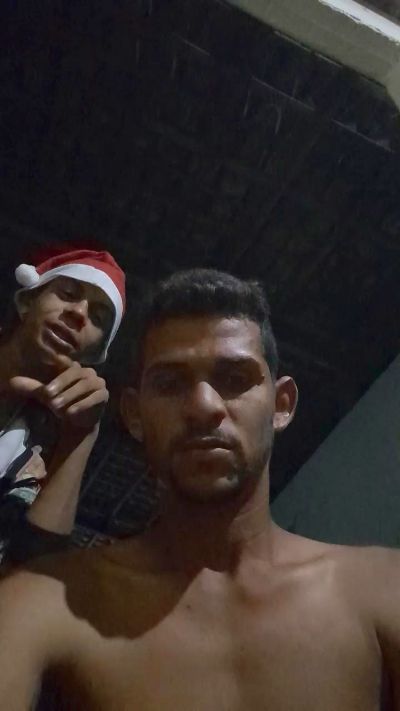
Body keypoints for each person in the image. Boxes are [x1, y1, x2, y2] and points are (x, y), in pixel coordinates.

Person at [0, 268, 398, 710]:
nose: (204, 407)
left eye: (235, 379)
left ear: (281, 405)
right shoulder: (46, 602)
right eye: (170, 384)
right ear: (134, 415)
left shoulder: (383, 589)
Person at [0, 248, 125, 564]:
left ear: (94, 353)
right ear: (27, 301)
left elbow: (33, 568)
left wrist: (82, 436)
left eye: (97, 318)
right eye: (68, 293)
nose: (79, 313)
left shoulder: (45, 449)